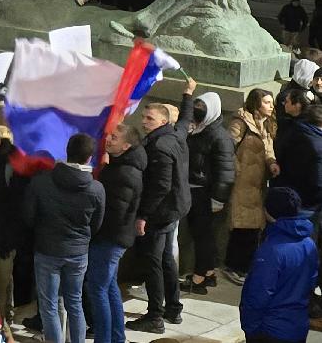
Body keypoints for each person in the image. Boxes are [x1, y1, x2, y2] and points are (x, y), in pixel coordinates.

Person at [127, 79, 195, 334]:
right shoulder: (175, 134)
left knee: (153, 261)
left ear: (163, 122)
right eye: (144, 117)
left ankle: (155, 315)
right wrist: (187, 94)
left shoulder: (159, 146)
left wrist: (144, 215)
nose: (144, 122)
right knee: (167, 259)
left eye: (150, 119)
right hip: (175, 209)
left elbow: (161, 186)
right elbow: (185, 119)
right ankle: (173, 309)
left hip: (161, 213)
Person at [23, 132, 104, 343]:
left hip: (47, 249)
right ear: (89, 158)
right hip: (78, 252)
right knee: (74, 302)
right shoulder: (96, 188)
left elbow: (29, 217)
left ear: (67, 152)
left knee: (49, 304)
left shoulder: (41, 182)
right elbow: (96, 224)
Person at [89, 121, 144, 343]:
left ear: (126, 146)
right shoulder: (120, 167)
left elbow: (114, 213)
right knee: (109, 287)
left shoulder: (124, 173)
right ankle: (116, 337)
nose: (108, 139)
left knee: (97, 289)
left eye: (114, 137)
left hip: (109, 239)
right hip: (113, 238)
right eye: (109, 135)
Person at [240, 187, 318, 343]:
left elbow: (257, 295)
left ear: (269, 211)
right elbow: (311, 282)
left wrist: (251, 328)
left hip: (269, 331)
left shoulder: (271, 251)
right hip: (297, 327)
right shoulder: (309, 244)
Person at [184, 90, 235, 294]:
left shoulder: (219, 137)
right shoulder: (200, 130)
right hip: (196, 190)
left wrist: (218, 198)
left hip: (205, 194)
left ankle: (198, 279)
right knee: (204, 235)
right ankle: (209, 272)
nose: (197, 111)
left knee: (202, 236)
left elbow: (225, 171)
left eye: (202, 109)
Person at [226, 88, 278, 282]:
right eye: (266, 102)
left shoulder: (267, 124)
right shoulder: (240, 122)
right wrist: (237, 169)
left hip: (257, 184)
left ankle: (244, 266)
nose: (271, 106)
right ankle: (234, 266)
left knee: (253, 227)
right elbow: (228, 147)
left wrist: (272, 163)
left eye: (271, 102)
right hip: (242, 182)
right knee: (242, 226)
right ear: (256, 103)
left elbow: (268, 149)